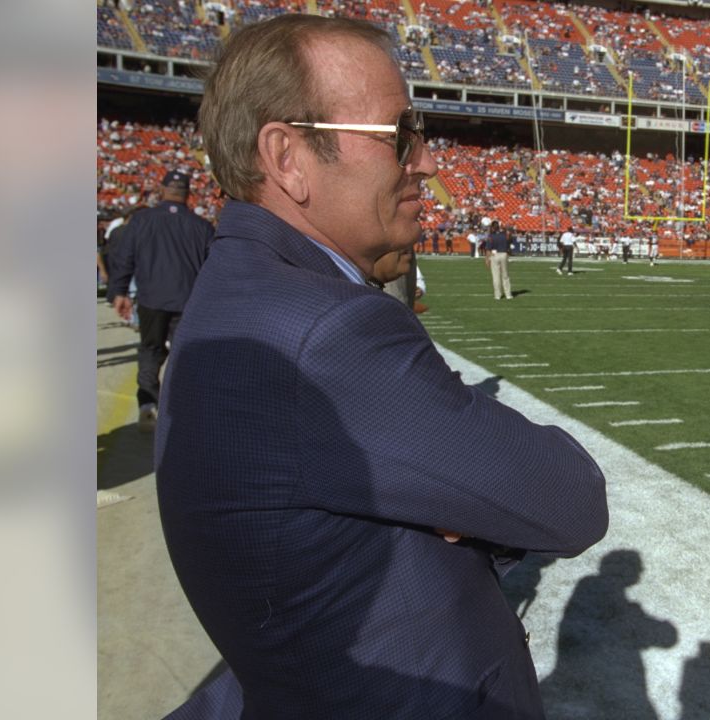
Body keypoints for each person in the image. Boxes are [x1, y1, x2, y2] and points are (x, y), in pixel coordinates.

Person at [155, 15, 608, 718]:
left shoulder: (244, 287)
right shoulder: (326, 328)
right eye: (400, 136)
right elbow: (572, 497)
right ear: (288, 158)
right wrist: (464, 505)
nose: (426, 162)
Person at [105, 170, 214, 432]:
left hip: (151, 299)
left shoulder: (142, 221)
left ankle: (148, 405)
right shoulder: (202, 227)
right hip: (187, 302)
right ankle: (180, 410)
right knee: (183, 357)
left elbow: (124, 258)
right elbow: (213, 270)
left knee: (150, 350)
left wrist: (119, 292)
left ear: (162, 190)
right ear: (188, 194)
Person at [485, 219, 513, 300]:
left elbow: (488, 249)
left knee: (496, 276)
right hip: (504, 254)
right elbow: (509, 243)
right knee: (505, 275)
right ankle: (508, 294)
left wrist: (487, 259)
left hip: (494, 255)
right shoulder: (504, 235)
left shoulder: (491, 236)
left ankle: (498, 295)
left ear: (493, 228)